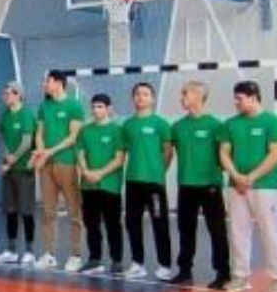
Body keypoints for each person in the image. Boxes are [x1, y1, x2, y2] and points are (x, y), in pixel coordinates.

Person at [218, 80, 277, 292]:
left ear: (253, 97)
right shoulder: (230, 124)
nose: (236, 102)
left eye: (239, 98)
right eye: (235, 98)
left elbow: (274, 155)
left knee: (270, 231)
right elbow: (224, 153)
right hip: (236, 186)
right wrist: (236, 176)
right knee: (237, 231)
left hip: (265, 186)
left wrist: (251, 177)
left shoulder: (273, 122)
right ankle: (240, 276)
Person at [172, 81, 230, 289]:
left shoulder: (216, 125)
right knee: (186, 231)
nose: (181, 97)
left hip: (210, 186)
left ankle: (223, 272)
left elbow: (224, 156)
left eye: (185, 93)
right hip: (186, 186)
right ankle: (184, 271)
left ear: (198, 96)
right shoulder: (177, 127)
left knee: (217, 231)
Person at [30, 71, 85, 271]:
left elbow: (73, 137)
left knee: (74, 212)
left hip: (67, 163)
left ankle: (75, 255)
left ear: (59, 83)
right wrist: (41, 152)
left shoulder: (74, 105)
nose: (44, 84)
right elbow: (39, 133)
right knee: (48, 211)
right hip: (46, 165)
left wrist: (49, 152)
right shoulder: (44, 106)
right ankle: (49, 254)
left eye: (48, 81)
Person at [121, 82, 174, 280]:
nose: (141, 97)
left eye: (145, 94)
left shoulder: (161, 124)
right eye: (137, 94)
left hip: (154, 184)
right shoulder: (127, 125)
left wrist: (159, 173)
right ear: (132, 98)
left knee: (160, 223)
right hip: (133, 181)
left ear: (152, 98)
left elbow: (168, 152)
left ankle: (165, 265)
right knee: (132, 223)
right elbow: (123, 151)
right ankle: (137, 264)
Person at [75, 93, 125, 275]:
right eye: (94, 107)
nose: (96, 110)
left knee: (113, 225)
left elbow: (119, 159)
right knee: (91, 224)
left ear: (108, 109)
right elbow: (80, 153)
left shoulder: (117, 130)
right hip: (88, 186)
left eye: (100, 107)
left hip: (109, 186)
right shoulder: (85, 131)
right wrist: (86, 171)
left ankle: (117, 261)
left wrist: (99, 174)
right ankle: (94, 259)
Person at [0, 82, 37, 265]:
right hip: (9, 170)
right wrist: (6, 160)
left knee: (26, 211)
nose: (5, 97)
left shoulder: (26, 114)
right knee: (10, 210)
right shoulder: (5, 115)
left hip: (24, 170)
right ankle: (11, 250)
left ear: (18, 95)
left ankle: (29, 251)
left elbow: (27, 142)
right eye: (4, 93)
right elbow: (4, 140)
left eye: (8, 93)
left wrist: (14, 158)